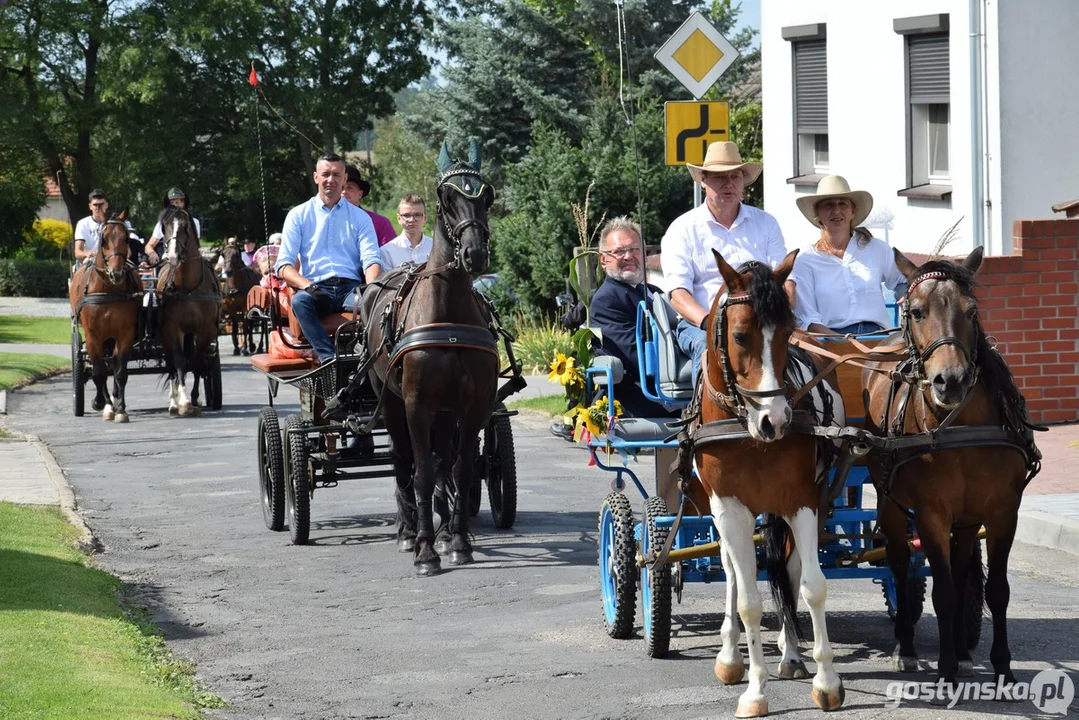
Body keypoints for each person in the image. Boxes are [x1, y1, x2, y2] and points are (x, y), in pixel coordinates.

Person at [660, 141, 788, 380]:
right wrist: (710, 324)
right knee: (709, 351)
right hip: (698, 325)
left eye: (735, 176)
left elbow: (784, 280)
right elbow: (678, 294)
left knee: (796, 354)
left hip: (760, 322)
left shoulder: (766, 223)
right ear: (703, 181)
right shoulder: (682, 229)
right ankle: (703, 415)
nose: (729, 183)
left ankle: (797, 410)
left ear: (742, 181)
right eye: (720, 177)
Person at [274, 153, 382, 363]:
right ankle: (328, 358)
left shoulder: (361, 217)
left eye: (336, 175)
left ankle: (371, 356)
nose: (330, 179)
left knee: (378, 303)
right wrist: (309, 287)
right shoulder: (298, 215)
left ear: (343, 180)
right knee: (301, 303)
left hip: (350, 290)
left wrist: (373, 290)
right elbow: (283, 266)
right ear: (316, 177)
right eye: (325, 174)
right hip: (315, 289)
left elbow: (371, 260)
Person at [788, 175, 907, 334]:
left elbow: (903, 279)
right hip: (832, 342)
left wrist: (907, 295)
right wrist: (843, 345)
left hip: (880, 338)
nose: (836, 210)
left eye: (842, 204)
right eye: (828, 205)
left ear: (852, 212)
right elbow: (808, 320)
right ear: (817, 215)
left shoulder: (877, 248)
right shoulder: (805, 262)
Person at [342, 164, 396, 247]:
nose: (344, 192)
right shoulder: (326, 221)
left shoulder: (380, 223)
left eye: (349, 187)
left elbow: (391, 254)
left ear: (360, 194)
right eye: (341, 188)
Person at [145, 187, 201, 264]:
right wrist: (152, 253)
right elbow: (149, 245)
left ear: (183, 203)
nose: (174, 205)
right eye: (172, 203)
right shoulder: (162, 223)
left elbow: (195, 245)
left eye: (177, 202)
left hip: (190, 259)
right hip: (168, 259)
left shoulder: (194, 222)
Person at [379, 194, 433, 270]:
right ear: (399, 219)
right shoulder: (386, 252)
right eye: (406, 215)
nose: (411, 220)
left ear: (424, 218)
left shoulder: (434, 247)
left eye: (417, 215)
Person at [73, 189, 111, 262]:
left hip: (110, 260)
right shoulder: (82, 223)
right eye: (95, 205)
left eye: (101, 204)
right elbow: (77, 252)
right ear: (90, 206)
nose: (98, 208)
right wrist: (87, 254)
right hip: (90, 260)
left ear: (106, 205)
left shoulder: (112, 224)